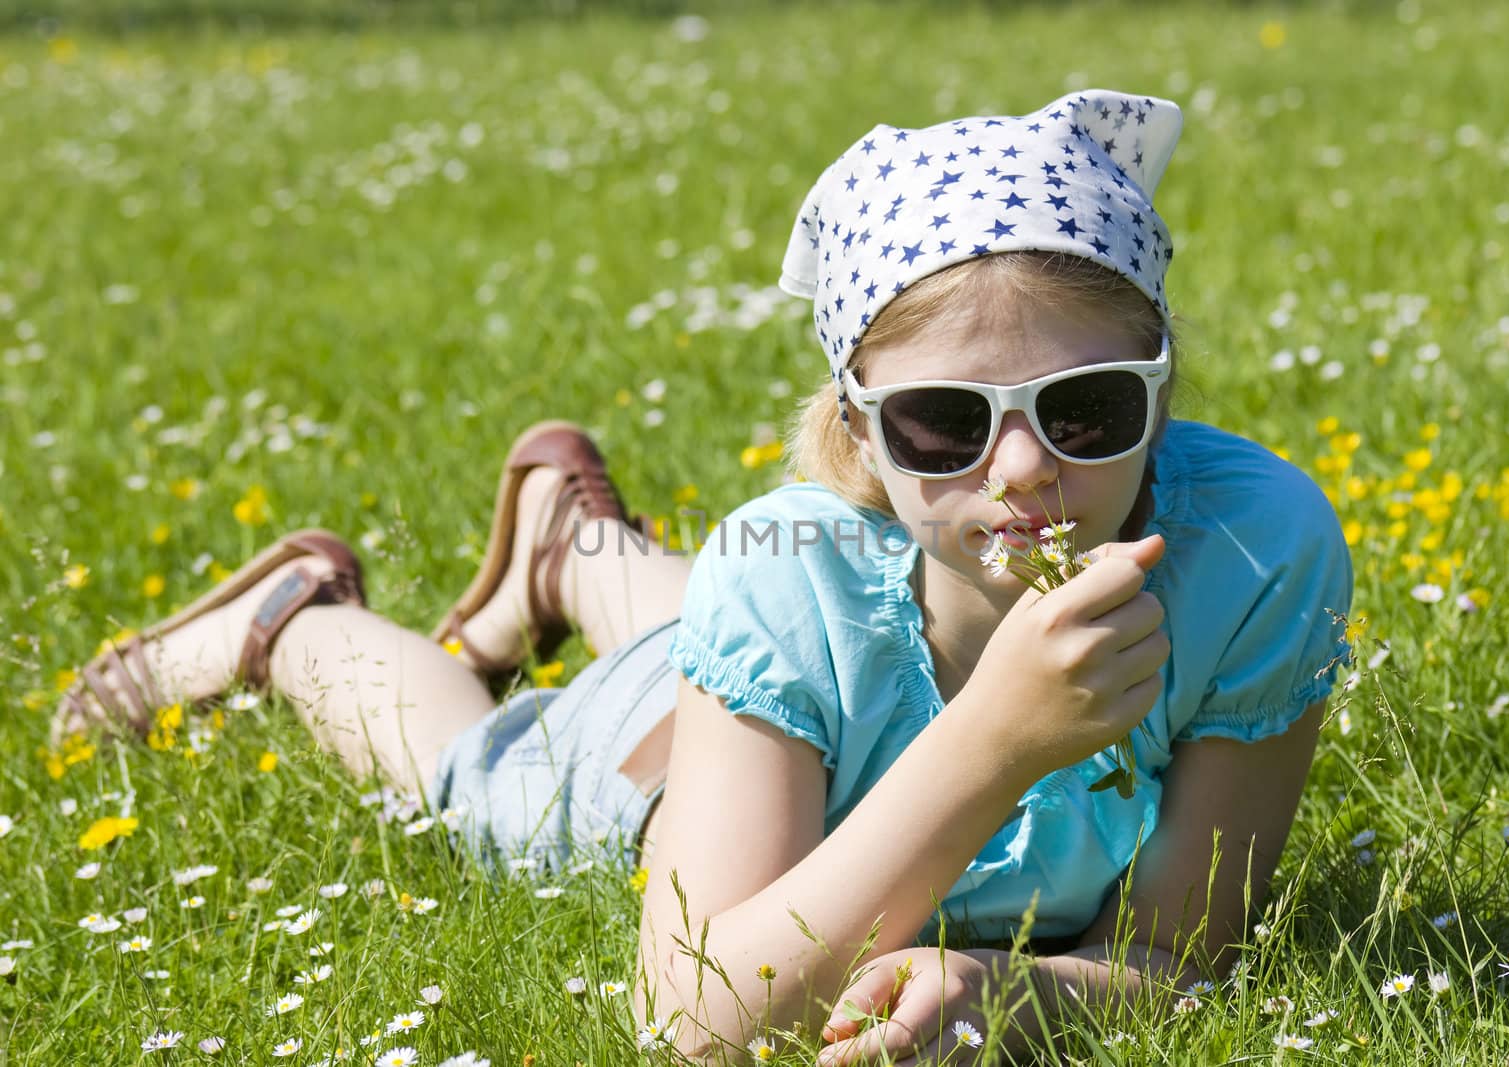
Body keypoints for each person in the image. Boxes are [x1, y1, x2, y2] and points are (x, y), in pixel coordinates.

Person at [53, 87, 1352, 1064]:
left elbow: (1184, 954)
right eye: (946, 425)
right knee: (486, 786)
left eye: (1083, 408)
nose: (1020, 470)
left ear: (1163, 396)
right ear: (857, 434)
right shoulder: (786, 585)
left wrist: (1014, 994)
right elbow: (696, 1016)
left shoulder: (1255, 556)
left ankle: (573, 548)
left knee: (785, 613)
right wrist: (997, 744)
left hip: (810, 666)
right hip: (695, 759)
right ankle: (289, 627)